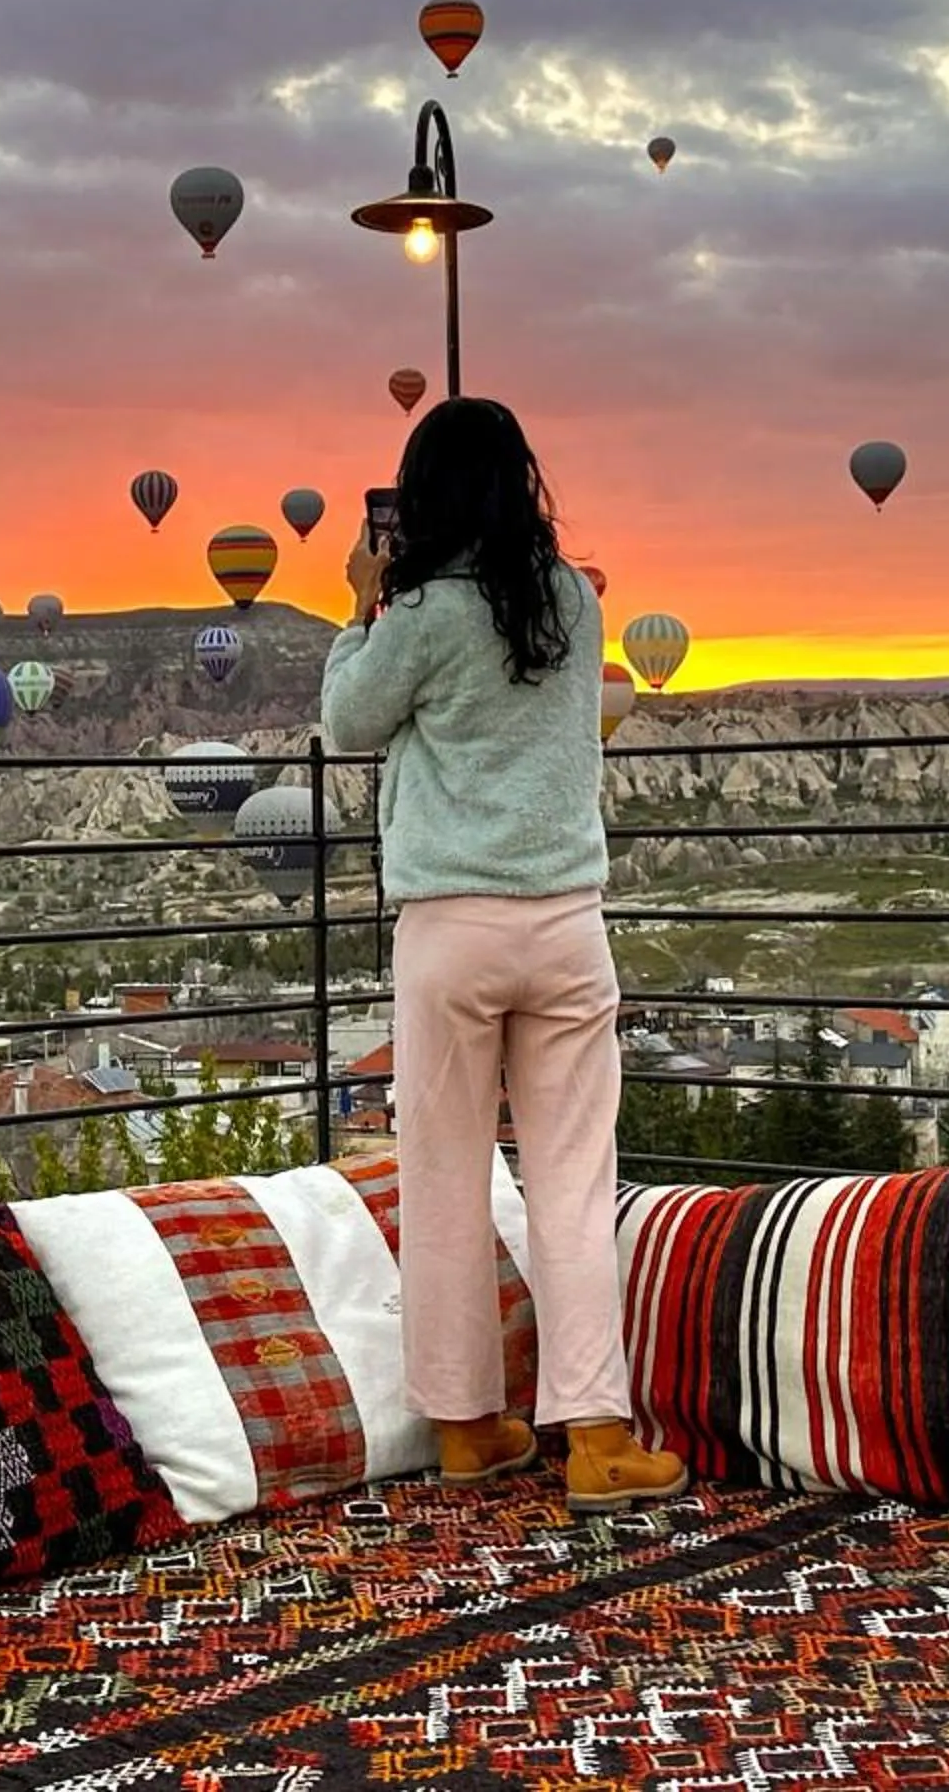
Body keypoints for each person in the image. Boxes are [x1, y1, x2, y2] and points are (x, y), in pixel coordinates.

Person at [321, 397, 686, 1513]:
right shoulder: (571, 599)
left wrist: (359, 604)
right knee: (575, 1182)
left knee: (441, 1177)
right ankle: (598, 1436)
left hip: (450, 928)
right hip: (567, 920)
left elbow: (347, 721)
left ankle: (470, 1423)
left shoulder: (417, 612)